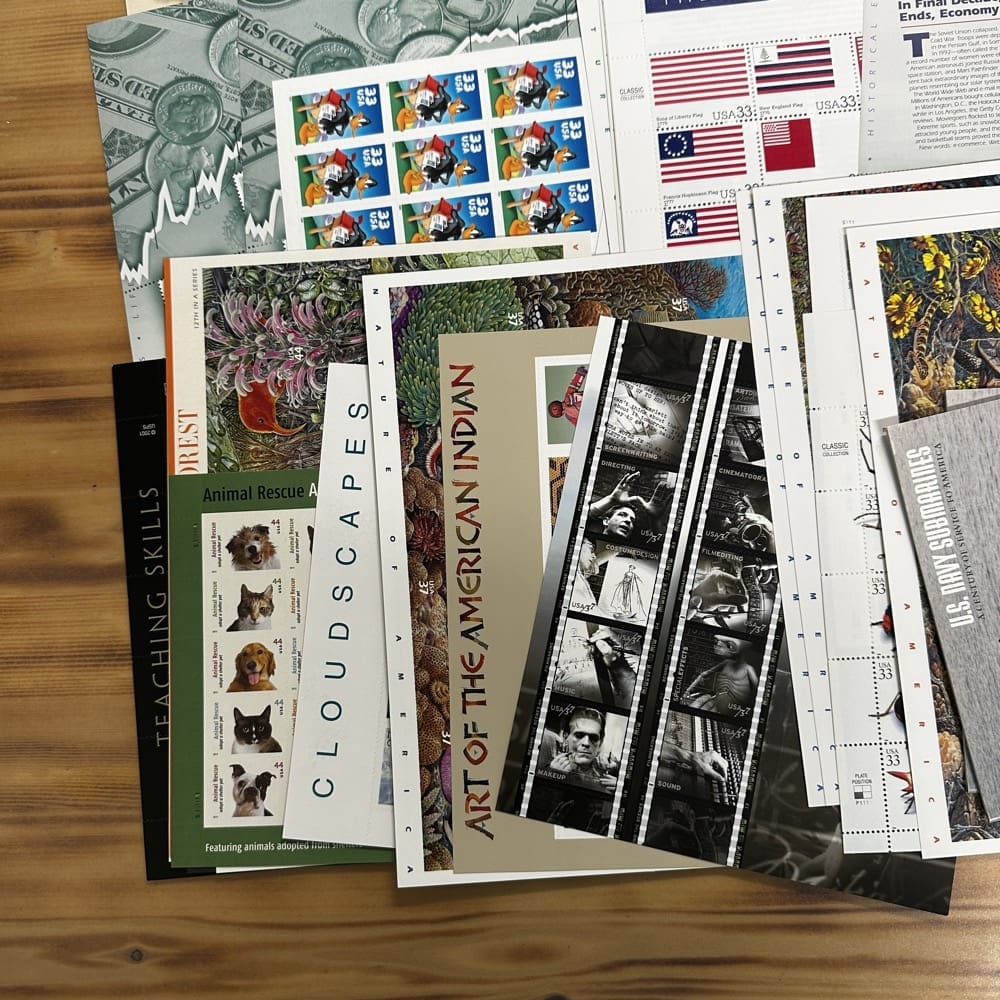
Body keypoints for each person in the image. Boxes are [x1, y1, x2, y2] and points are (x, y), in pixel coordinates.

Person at [538, 706, 618, 791]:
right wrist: (550, 777)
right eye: (579, 735)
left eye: (594, 738)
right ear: (565, 736)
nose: (586, 743)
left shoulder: (609, 771)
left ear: (600, 742)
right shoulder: (546, 765)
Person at [681, 636, 759, 716]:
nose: (718, 645)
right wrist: (687, 691)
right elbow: (703, 675)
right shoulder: (727, 662)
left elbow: (759, 692)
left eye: (729, 645)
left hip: (732, 712)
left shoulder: (748, 669)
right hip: (713, 702)